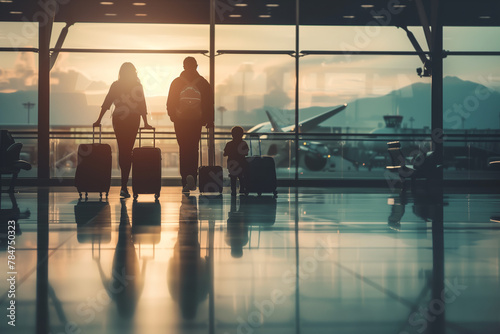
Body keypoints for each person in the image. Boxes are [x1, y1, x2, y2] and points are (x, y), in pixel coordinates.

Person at [93, 62, 152, 198]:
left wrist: (99, 120)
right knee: (129, 149)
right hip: (133, 119)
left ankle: (124, 185)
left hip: (119, 120)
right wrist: (146, 123)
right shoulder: (137, 86)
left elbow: (107, 103)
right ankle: (124, 185)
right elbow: (142, 104)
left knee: (122, 148)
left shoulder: (116, 85)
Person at [167, 57, 214, 193]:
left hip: (180, 121)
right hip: (196, 122)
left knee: (183, 148)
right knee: (193, 149)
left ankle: (185, 180)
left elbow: (170, 102)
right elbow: (209, 103)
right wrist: (207, 120)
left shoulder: (176, 82)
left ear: (183, 66)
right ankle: (193, 176)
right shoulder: (203, 83)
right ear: (196, 66)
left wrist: (173, 117)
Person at [223, 126, 249, 196]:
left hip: (231, 164)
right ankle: (242, 189)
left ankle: (233, 191)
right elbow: (246, 153)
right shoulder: (244, 143)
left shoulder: (229, 144)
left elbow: (225, 154)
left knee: (233, 177)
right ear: (242, 134)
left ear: (232, 134)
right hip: (242, 163)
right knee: (241, 177)